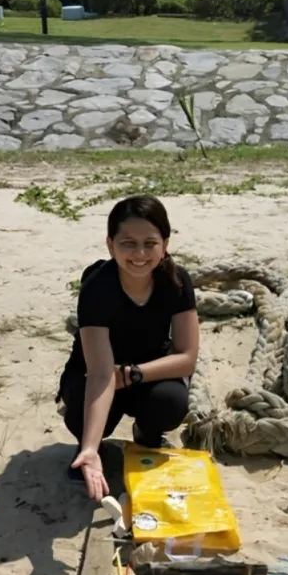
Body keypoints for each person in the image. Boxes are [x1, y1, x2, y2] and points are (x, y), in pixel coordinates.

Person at [57, 195, 199, 501]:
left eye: (150, 243)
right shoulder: (97, 288)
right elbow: (99, 373)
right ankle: (90, 450)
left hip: (146, 373)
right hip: (96, 374)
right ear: (110, 245)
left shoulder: (176, 282)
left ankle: (147, 435)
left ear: (165, 243)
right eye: (128, 243)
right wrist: (91, 448)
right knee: (82, 410)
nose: (140, 254)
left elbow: (187, 358)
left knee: (171, 401)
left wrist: (131, 374)